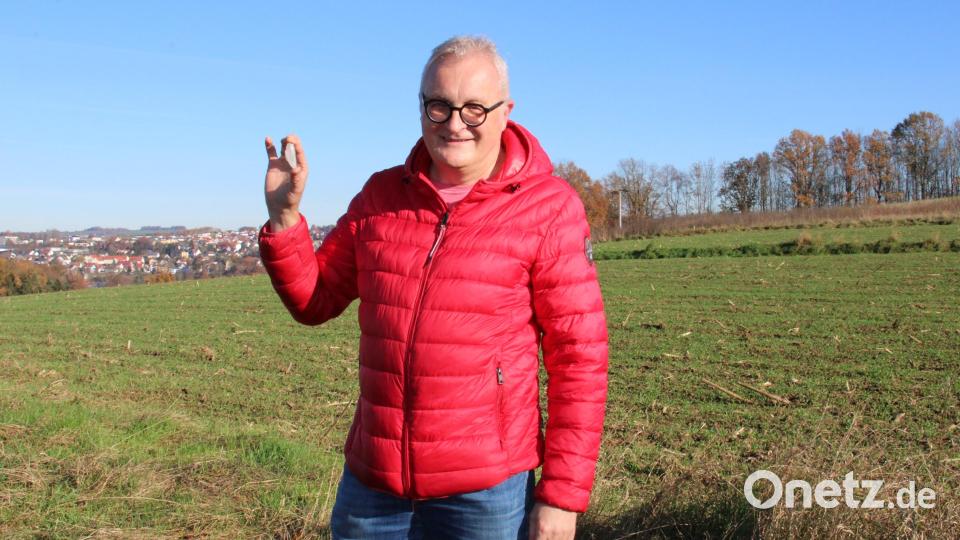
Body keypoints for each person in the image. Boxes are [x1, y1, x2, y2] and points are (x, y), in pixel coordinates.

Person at [258, 35, 608, 540]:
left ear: (506, 111)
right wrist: (284, 218)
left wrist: (561, 496)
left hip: (486, 494)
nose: (455, 124)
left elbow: (579, 356)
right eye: (439, 107)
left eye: (474, 109)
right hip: (373, 486)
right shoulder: (381, 196)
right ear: (421, 106)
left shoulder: (548, 209)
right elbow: (315, 301)